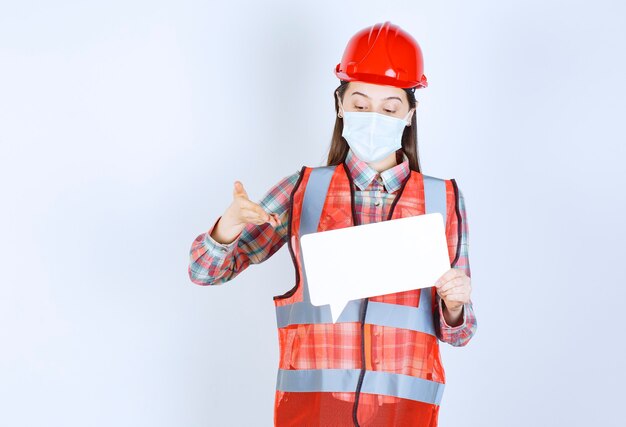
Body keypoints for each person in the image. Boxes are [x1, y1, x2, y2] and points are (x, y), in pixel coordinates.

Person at [188, 21, 477, 427]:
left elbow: (459, 334)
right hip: (314, 414)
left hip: (403, 416)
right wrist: (228, 225)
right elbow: (204, 272)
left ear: (410, 113)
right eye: (360, 103)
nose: (373, 116)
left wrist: (455, 305)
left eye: (389, 107)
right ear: (340, 105)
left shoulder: (442, 199)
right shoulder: (304, 190)